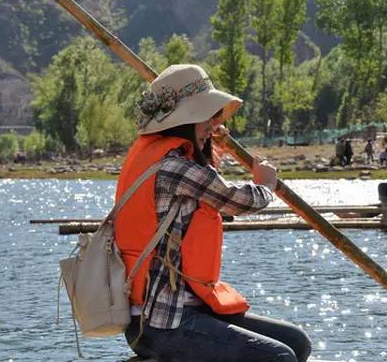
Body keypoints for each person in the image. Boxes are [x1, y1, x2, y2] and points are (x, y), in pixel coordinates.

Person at [114, 64, 311, 362]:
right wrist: (266, 185)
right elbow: (236, 200)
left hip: (188, 310)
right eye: (208, 116)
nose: (214, 122)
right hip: (162, 324)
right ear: (187, 120)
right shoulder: (172, 167)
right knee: (279, 357)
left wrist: (208, 140)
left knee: (298, 342)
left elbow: (204, 182)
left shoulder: (170, 158)